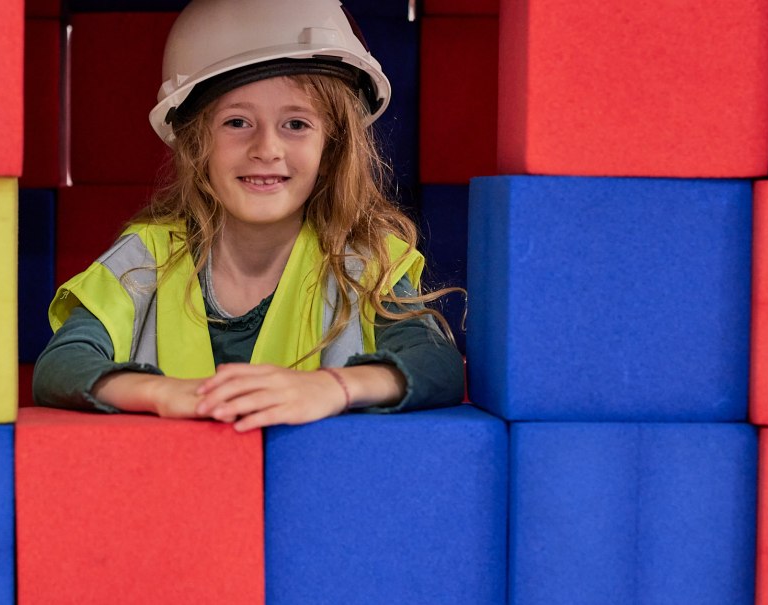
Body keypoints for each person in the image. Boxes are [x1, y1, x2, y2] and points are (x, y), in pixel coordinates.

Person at [34, 0, 464, 432]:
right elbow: (60, 366)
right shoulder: (147, 255)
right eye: (237, 122)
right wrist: (165, 394)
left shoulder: (366, 261)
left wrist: (331, 388)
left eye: (296, 124)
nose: (266, 149)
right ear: (196, 143)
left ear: (331, 151)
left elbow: (437, 366)